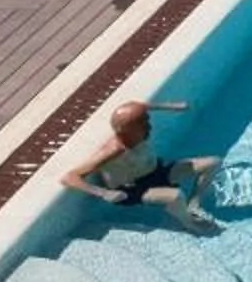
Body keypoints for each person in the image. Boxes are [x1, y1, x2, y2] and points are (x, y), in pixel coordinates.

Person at [61, 97, 220, 231]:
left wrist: (171, 106)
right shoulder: (113, 150)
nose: (149, 127)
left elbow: (139, 106)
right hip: (134, 190)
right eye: (144, 126)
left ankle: (194, 203)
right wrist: (103, 193)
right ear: (128, 131)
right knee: (176, 196)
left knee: (213, 162)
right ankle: (188, 223)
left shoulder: (137, 134)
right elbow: (69, 177)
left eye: (147, 123)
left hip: (158, 173)